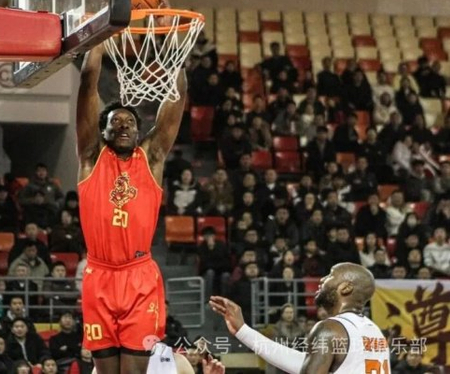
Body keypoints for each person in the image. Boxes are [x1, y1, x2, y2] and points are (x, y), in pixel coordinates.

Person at [76, 43, 185, 372]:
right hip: (99, 277)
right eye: (115, 121)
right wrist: (96, 39)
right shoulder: (91, 157)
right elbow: (88, 83)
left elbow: (176, 98)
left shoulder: (151, 158)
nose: (123, 125)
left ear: (140, 132)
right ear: (103, 130)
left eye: (129, 122)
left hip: (139, 278)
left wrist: (173, 49)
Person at [209, 263, 390, 374]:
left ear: (345, 288)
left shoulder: (330, 329)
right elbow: (304, 363)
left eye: (330, 275)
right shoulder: (373, 331)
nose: (322, 279)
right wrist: (243, 331)